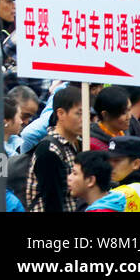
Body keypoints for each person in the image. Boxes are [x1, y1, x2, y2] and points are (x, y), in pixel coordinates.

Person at [25, 84, 84, 212]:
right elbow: (53, 203)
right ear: (61, 113)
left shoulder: (76, 143)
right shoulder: (49, 150)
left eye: (87, 114)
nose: (84, 120)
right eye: (79, 114)